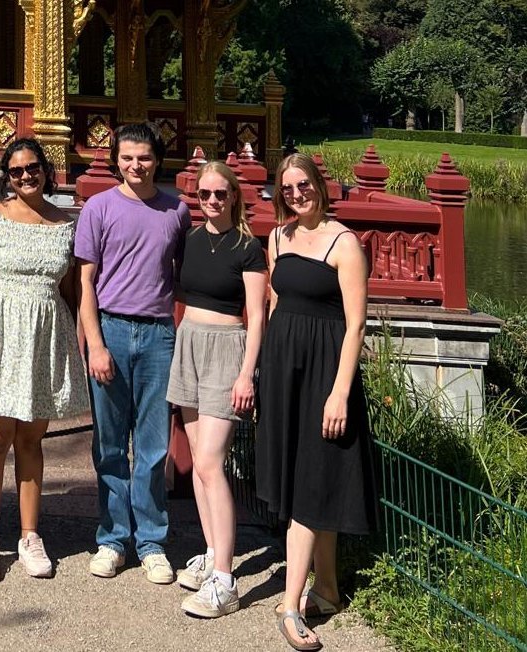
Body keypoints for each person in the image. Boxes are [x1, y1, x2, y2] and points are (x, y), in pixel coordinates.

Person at [256, 153, 377, 650]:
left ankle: (289, 606)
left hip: (326, 371)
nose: (296, 194)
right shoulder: (277, 237)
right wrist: (267, 370)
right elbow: (275, 303)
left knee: (312, 480)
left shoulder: (344, 242)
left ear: (319, 186)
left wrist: (340, 392)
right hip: (285, 368)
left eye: (303, 184)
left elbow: (356, 325)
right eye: (287, 188)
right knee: (308, 478)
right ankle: (326, 589)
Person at [0, 138, 88, 581]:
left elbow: (71, 293)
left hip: (45, 337)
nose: (26, 176)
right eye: (16, 171)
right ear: (6, 178)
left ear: (46, 171)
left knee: (31, 441)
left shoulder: (65, 225)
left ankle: (30, 534)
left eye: (33, 168)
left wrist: (79, 344)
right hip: (0, 335)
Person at [75, 122, 190, 584]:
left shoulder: (176, 212)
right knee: (108, 442)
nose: (135, 165)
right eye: (126, 158)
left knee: (152, 444)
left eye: (143, 157)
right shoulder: (99, 209)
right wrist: (96, 344)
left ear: (157, 160)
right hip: (112, 328)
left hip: (158, 333)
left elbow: (184, 274)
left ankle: (151, 540)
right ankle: (112, 536)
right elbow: (85, 282)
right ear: (115, 160)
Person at [166, 161, 267, 617]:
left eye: (219, 195)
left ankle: (225, 581)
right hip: (188, 341)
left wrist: (248, 372)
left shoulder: (248, 247)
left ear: (234, 197)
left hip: (227, 347)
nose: (211, 202)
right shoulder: (187, 239)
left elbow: (257, 314)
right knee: (200, 464)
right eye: (203, 195)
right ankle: (212, 552)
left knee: (209, 463)